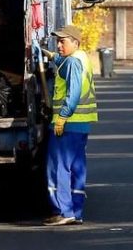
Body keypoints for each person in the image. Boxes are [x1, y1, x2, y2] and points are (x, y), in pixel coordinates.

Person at [41, 25, 98, 226]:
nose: (58, 45)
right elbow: (64, 66)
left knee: (58, 167)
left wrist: (62, 117)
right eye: (57, 41)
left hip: (68, 124)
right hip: (81, 125)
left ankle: (64, 210)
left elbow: (73, 93)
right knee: (76, 167)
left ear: (75, 42)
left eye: (63, 41)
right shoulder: (80, 58)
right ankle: (75, 210)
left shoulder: (73, 62)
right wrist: (51, 57)